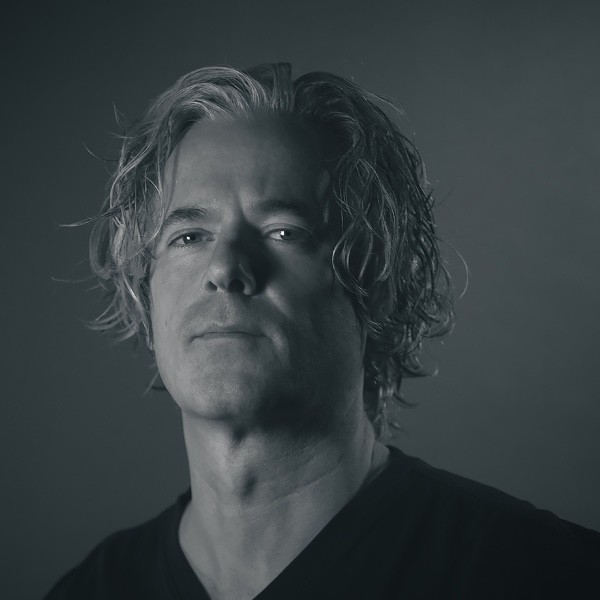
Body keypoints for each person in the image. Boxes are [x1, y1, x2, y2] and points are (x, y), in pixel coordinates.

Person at [45, 63, 599, 599]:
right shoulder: (92, 590)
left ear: (377, 285)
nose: (226, 268)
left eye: (284, 231)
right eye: (188, 237)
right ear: (145, 293)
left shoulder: (540, 574)